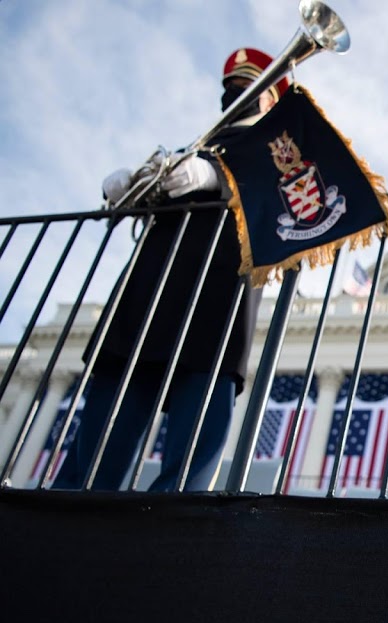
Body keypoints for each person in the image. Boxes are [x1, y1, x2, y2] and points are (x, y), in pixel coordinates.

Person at [52, 48, 289, 493]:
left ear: (271, 99)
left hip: (217, 299)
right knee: (98, 450)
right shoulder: (191, 148)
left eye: (249, 88)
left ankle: (170, 544)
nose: (236, 95)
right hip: (148, 293)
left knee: (190, 462)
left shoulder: (279, 151)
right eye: (232, 88)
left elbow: (287, 202)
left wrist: (216, 176)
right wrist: (125, 187)